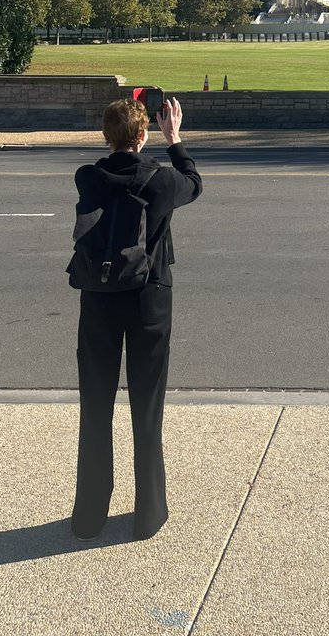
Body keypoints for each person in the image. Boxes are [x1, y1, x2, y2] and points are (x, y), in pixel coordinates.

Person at [69, 96, 202, 541]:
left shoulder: (87, 178)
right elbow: (194, 183)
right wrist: (175, 138)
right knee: (146, 408)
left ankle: (89, 516)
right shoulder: (160, 182)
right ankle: (148, 514)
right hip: (149, 298)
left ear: (106, 137)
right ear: (143, 136)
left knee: (95, 405)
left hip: (99, 299)